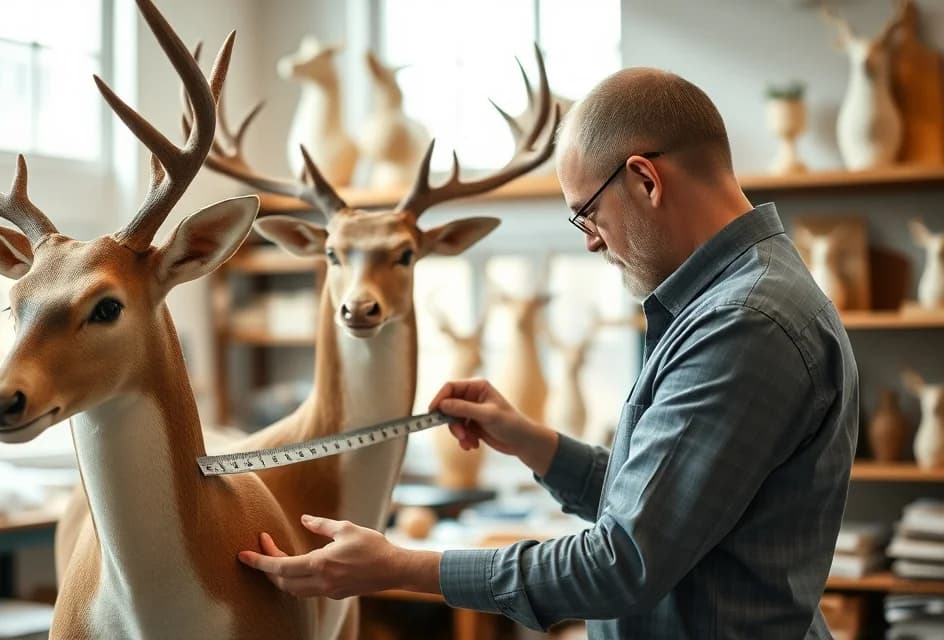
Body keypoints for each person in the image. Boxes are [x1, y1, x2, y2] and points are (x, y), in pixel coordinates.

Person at [237, 67, 859, 638]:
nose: (590, 243)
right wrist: (534, 443)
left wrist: (398, 566)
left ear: (645, 179)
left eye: (585, 214)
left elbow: (623, 561)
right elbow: (660, 510)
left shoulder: (742, 324)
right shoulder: (728, 302)